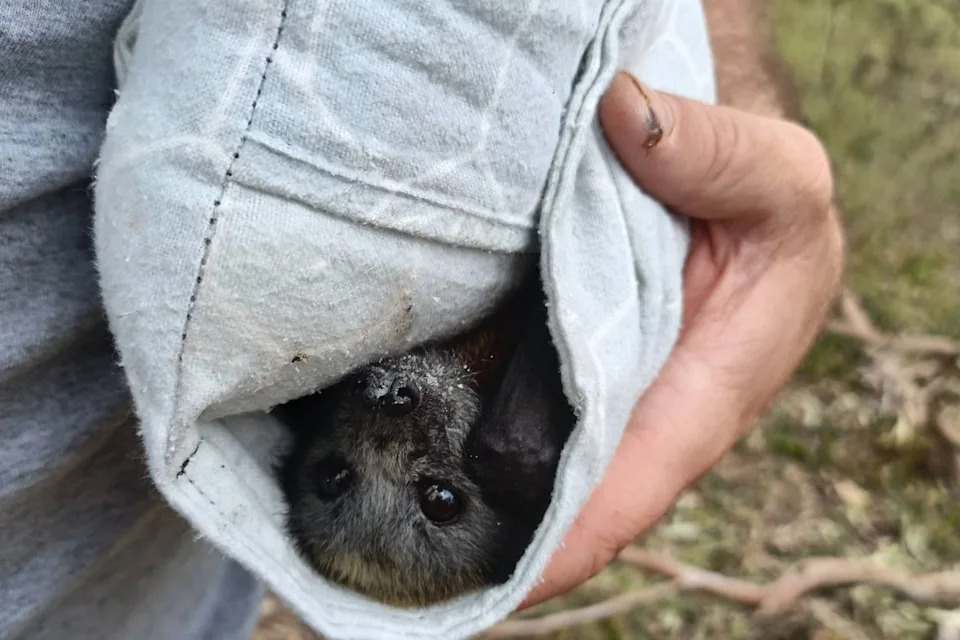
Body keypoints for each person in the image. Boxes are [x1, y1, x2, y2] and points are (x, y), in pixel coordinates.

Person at [0, 2, 842, 639]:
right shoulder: (526, 418)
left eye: (335, 478)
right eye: (438, 496)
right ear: (511, 487)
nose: (382, 442)